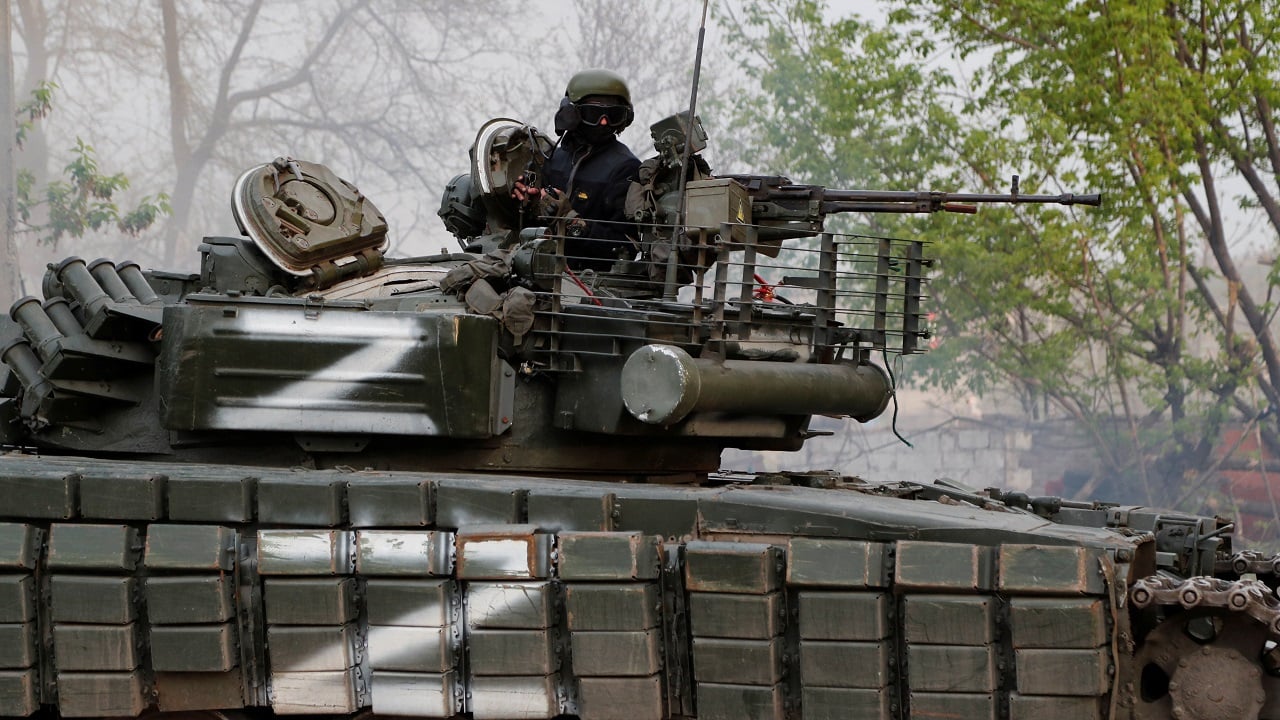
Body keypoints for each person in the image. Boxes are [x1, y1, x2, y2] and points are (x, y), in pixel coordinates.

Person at [513, 69, 642, 271]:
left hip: (590, 285)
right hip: (537, 270)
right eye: (594, 114)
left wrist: (571, 221)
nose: (605, 122)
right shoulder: (553, 157)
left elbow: (626, 247)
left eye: (614, 115)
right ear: (571, 113)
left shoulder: (625, 168)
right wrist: (529, 203)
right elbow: (529, 227)